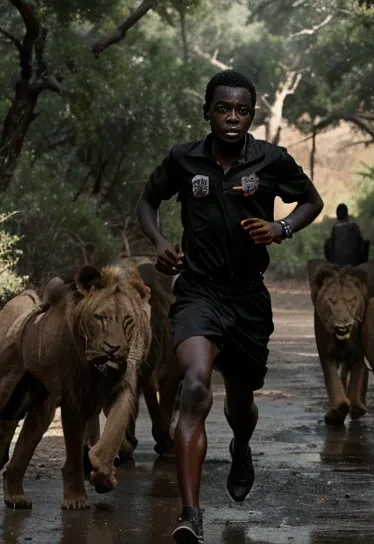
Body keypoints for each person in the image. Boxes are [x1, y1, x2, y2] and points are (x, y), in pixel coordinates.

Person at [136, 69, 323, 543]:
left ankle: (241, 446)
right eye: (223, 109)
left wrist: (281, 229)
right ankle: (191, 515)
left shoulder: (272, 161)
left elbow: (312, 201)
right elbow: (148, 200)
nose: (232, 118)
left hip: (249, 299)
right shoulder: (184, 159)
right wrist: (159, 241)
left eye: (242, 110)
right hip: (198, 290)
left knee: (240, 403)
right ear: (208, 112)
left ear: (252, 114)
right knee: (195, 388)